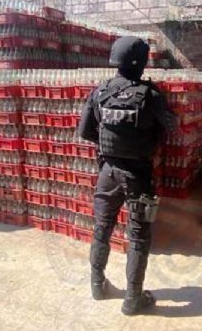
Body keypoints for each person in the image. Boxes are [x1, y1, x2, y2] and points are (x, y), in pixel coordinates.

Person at [77, 36, 176, 315]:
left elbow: (85, 131)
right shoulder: (150, 95)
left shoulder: (100, 92)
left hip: (107, 172)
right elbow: (170, 126)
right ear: (142, 62)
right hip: (138, 175)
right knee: (139, 236)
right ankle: (133, 299)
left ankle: (97, 285)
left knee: (102, 227)